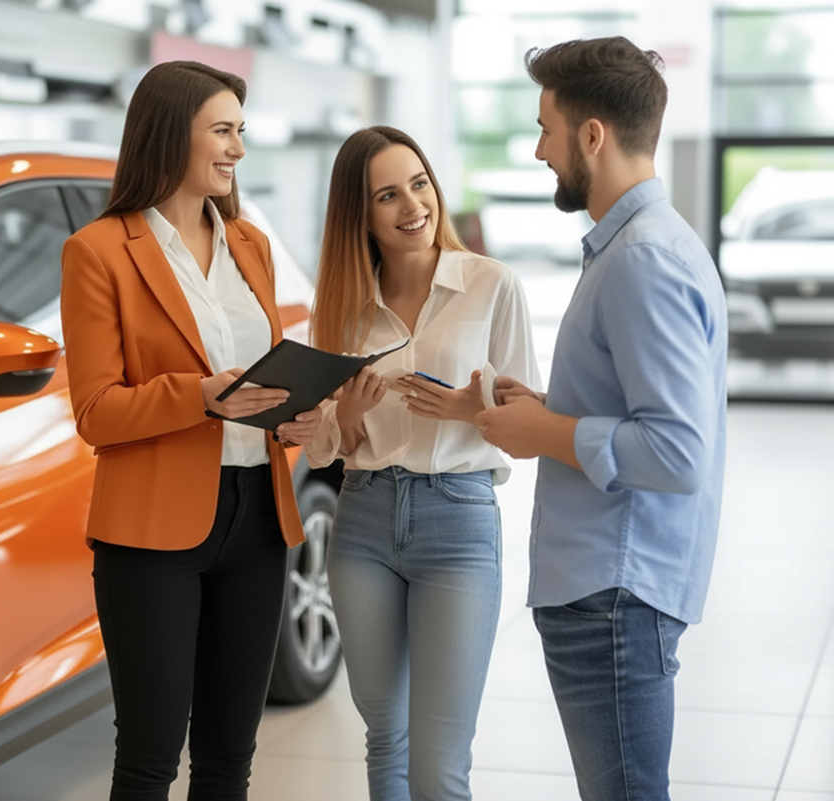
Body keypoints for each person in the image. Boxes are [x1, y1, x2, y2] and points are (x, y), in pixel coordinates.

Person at [59, 60, 322, 801]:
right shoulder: (99, 252)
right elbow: (96, 413)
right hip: (150, 534)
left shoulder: (251, 246)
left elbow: (262, 378)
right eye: (223, 130)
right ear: (172, 133)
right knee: (149, 754)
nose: (238, 148)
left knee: (229, 755)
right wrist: (200, 397)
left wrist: (294, 414)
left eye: (242, 131)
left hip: (258, 519)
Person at [476, 37, 728, 801]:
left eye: (547, 128)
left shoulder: (642, 258)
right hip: (610, 587)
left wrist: (544, 434)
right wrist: (548, 409)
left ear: (593, 135)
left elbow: (678, 451)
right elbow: (639, 409)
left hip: (613, 596)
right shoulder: (642, 246)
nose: (538, 148)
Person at [305, 125, 540, 801]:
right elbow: (324, 440)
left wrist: (475, 409)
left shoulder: (493, 285)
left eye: (419, 183)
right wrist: (345, 419)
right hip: (363, 520)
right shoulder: (343, 308)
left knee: (438, 765)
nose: (413, 204)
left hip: (457, 523)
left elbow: (528, 430)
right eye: (387, 194)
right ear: (361, 215)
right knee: (386, 741)